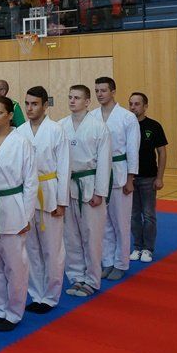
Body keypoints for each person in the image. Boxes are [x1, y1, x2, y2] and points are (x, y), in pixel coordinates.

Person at [0, 97, 36, 332]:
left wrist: (27, 216)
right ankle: (0, 310)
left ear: (10, 115)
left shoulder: (22, 142)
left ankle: (14, 312)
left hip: (13, 206)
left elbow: (31, 182)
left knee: (15, 265)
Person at [16, 86, 70, 314]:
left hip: (49, 192)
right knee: (31, 249)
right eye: (27, 104)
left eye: (35, 104)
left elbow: (64, 167)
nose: (29, 108)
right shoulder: (19, 131)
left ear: (45, 105)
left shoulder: (56, 130)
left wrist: (61, 201)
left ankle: (50, 296)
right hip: (27, 195)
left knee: (52, 249)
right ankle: (36, 293)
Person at [61, 85, 111, 297]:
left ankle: (92, 279)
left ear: (87, 101)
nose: (72, 101)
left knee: (92, 236)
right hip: (68, 185)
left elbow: (105, 162)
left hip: (90, 185)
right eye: (70, 97)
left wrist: (100, 192)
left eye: (77, 98)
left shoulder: (99, 127)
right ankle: (76, 276)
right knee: (70, 236)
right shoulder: (61, 126)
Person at [91, 77, 139, 282]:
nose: (99, 94)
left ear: (113, 91)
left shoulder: (127, 117)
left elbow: (133, 149)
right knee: (104, 224)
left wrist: (130, 178)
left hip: (120, 172)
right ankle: (108, 261)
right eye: (97, 91)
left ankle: (121, 263)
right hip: (99, 174)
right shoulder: (92, 116)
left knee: (121, 223)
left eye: (103, 90)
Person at [126, 92, 168, 263]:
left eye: (137, 104)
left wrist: (160, 177)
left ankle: (148, 249)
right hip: (130, 178)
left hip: (148, 178)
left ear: (145, 106)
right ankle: (137, 246)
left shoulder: (154, 126)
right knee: (133, 215)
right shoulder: (126, 125)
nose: (133, 107)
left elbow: (162, 153)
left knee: (149, 215)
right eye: (131, 104)